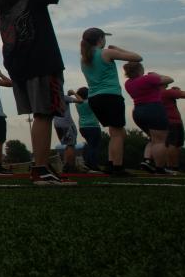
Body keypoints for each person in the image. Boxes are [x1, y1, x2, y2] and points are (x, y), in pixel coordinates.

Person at [0, 0, 84, 185]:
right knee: (44, 114)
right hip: (42, 59)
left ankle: (41, 166)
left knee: (40, 114)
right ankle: (40, 168)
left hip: (17, 62)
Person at [80, 28, 142, 176]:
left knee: (116, 133)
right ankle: (118, 167)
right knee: (117, 134)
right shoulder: (106, 53)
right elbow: (138, 57)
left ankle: (111, 164)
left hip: (95, 98)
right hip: (110, 96)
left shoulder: (84, 58)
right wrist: (118, 49)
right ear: (100, 39)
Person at [123, 63, 173, 174]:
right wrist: (156, 75)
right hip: (153, 109)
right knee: (160, 141)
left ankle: (147, 160)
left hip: (138, 112)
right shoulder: (148, 79)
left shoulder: (128, 83)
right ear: (140, 70)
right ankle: (160, 168)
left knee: (153, 138)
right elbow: (170, 79)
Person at [72, 87, 103, 173]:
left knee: (90, 145)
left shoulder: (77, 104)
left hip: (83, 127)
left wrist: (74, 93)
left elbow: (79, 99)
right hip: (93, 126)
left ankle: (89, 164)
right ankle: (92, 165)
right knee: (94, 146)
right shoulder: (90, 102)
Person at [161, 84, 185, 174]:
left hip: (170, 121)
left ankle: (173, 167)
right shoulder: (166, 92)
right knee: (172, 144)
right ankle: (171, 167)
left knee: (174, 144)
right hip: (173, 122)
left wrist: (175, 92)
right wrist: (176, 92)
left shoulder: (158, 92)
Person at [53, 92, 80, 173]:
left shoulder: (51, 99)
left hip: (57, 124)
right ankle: (71, 167)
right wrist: (73, 93)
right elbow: (80, 101)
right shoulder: (64, 97)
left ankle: (66, 166)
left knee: (66, 146)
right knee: (71, 145)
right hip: (66, 124)